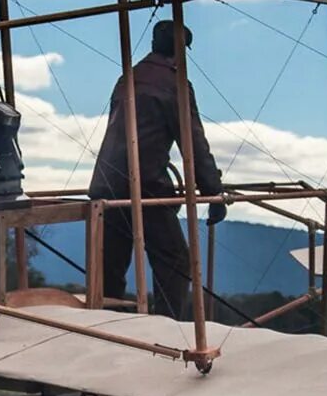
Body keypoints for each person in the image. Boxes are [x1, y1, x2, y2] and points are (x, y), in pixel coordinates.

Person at [88, 19, 225, 321]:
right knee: (175, 261)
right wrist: (214, 191)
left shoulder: (128, 78)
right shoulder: (174, 84)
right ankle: (167, 329)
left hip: (106, 185)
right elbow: (193, 143)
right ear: (181, 53)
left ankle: (107, 327)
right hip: (145, 185)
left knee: (110, 268)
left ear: (152, 45)